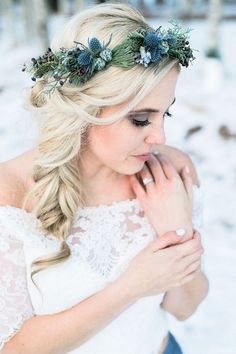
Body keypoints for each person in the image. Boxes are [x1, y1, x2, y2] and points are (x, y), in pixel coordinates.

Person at [0, 3, 209, 354]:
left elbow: (186, 307)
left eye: (165, 112)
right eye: (141, 120)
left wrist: (178, 234)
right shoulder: (11, 191)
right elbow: (13, 347)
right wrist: (133, 286)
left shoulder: (167, 175)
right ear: (84, 110)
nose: (160, 137)